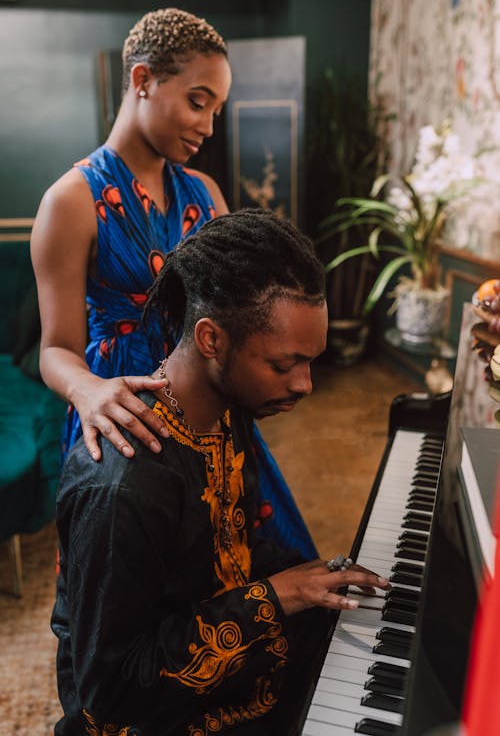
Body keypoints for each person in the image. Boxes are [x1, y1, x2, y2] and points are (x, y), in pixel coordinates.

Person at [51, 209, 390, 736]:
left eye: (310, 362)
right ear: (211, 340)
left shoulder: (223, 415)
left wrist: (313, 579)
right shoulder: (122, 487)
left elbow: (226, 551)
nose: (305, 385)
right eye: (284, 365)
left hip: (222, 666)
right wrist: (279, 596)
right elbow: (112, 691)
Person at [31, 7, 316, 559]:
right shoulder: (69, 201)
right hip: (121, 418)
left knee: (240, 567)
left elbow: (238, 311)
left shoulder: (206, 194)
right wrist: (89, 390)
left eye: (217, 109)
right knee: (134, 596)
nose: (209, 126)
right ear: (143, 80)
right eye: (197, 101)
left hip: (208, 413)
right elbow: (55, 351)